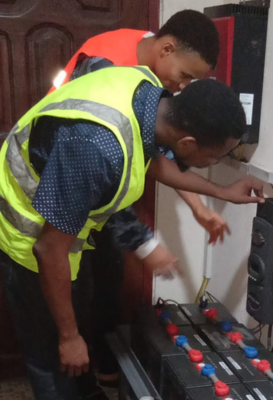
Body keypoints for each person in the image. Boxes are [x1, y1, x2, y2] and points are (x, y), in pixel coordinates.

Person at [0, 66, 263, 400]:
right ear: (187, 142)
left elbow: (151, 159)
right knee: (53, 357)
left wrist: (222, 191)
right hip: (27, 235)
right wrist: (68, 336)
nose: (215, 160)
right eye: (213, 157)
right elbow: (49, 250)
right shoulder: (96, 148)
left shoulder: (148, 91)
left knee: (74, 337)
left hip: (65, 231)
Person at [50, 10, 230, 393]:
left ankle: (104, 375)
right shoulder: (108, 74)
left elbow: (158, 150)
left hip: (82, 191)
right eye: (185, 77)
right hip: (56, 192)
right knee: (66, 303)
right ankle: (77, 360)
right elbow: (98, 174)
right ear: (166, 49)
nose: (182, 89)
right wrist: (148, 245)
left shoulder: (154, 57)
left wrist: (201, 205)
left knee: (106, 283)